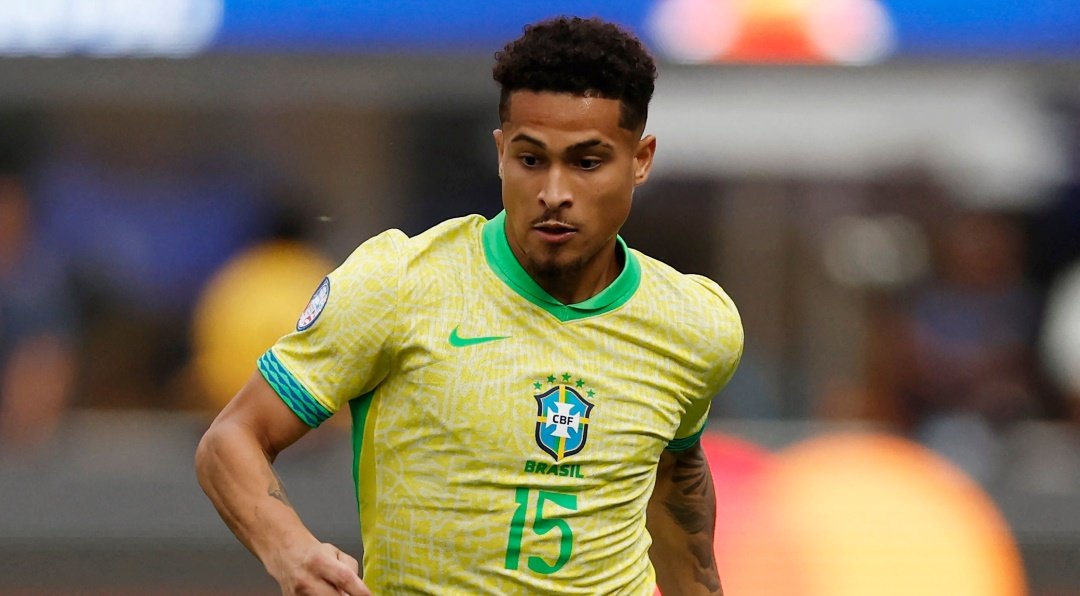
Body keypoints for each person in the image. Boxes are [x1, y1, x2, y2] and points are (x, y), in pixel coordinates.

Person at [196, 16, 743, 596]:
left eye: (587, 163)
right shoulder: (401, 285)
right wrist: (291, 552)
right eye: (532, 160)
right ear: (502, 152)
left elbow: (675, 482)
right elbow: (230, 440)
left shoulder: (695, 325)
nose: (554, 192)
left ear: (641, 159)